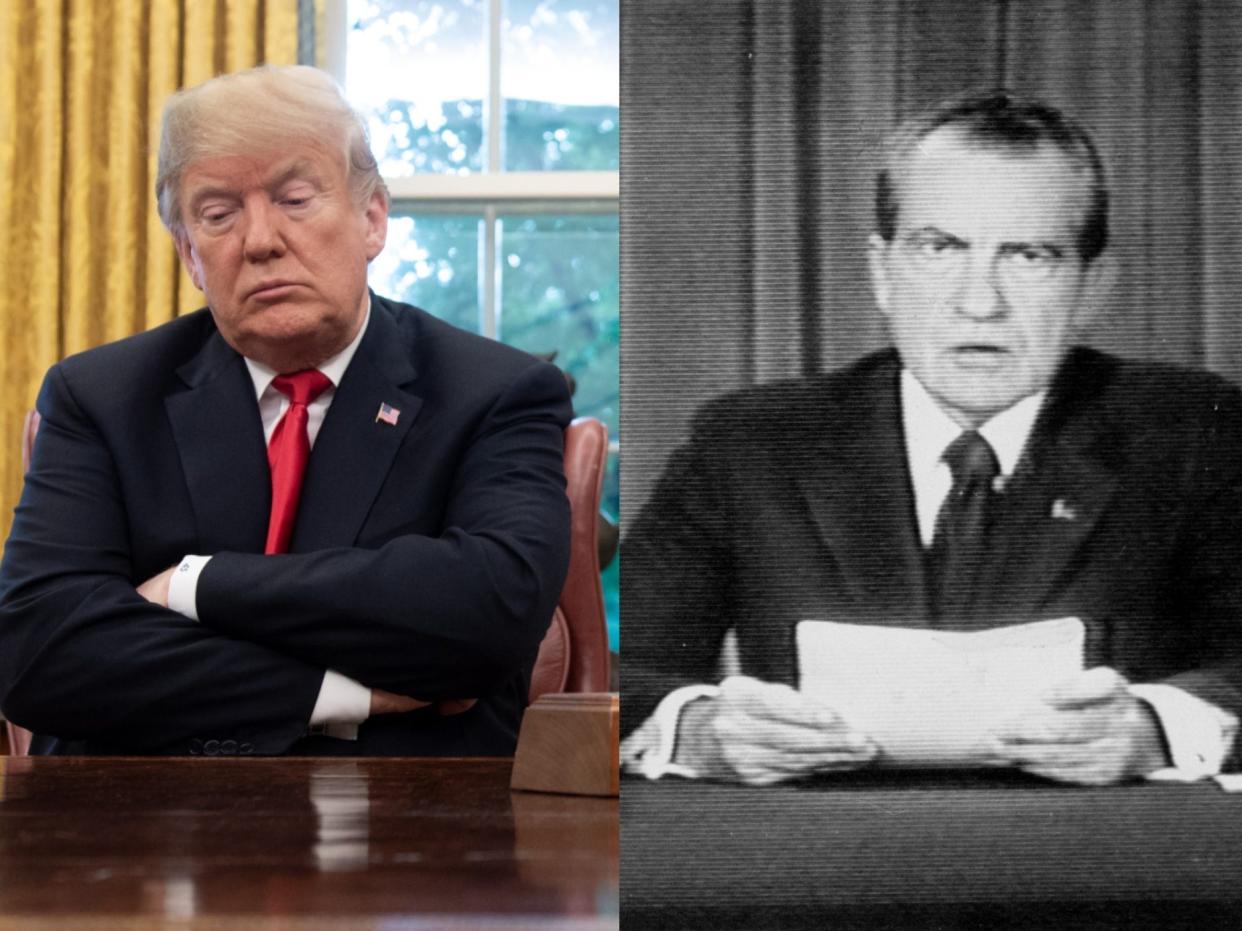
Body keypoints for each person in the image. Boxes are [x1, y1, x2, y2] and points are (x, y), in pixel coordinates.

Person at [621, 90, 1242, 786]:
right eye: (941, 247)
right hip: (811, 867)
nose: (980, 301)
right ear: (883, 272)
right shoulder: (750, 442)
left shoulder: (1196, 434)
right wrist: (697, 727)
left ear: (1092, 287)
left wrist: (1157, 729)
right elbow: (611, 671)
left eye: (1029, 255)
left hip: (1093, 869)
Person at [0, 65, 572, 756]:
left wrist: (196, 583)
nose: (260, 239)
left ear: (371, 218)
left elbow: (490, 612)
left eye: (295, 198)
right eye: (218, 215)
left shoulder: (495, 391)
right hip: (144, 832)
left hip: (410, 831)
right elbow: (37, 650)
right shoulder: (101, 396)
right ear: (189, 254)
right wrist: (343, 694)